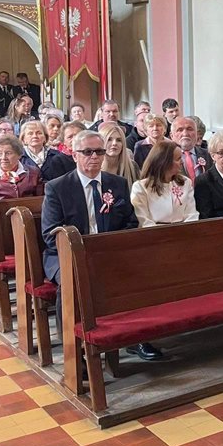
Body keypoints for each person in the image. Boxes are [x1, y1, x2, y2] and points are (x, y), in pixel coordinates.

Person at [40, 130, 138, 337]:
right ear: (74, 155)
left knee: (137, 271)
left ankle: (133, 336)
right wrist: (81, 251)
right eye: (87, 152)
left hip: (108, 251)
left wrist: (110, 247)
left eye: (99, 152)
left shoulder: (117, 183)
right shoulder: (57, 188)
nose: (94, 156)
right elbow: (50, 234)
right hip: (66, 254)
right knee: (73, 278)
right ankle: (71, 342)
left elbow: (130, 222)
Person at [130, 141, 198, 228]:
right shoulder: (141, 187)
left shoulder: (186, 183)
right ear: (165, 162)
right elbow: (143, 220)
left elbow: (192, 214)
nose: (182, 162)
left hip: (185, 232)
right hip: (154, 233)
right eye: (178, 159)